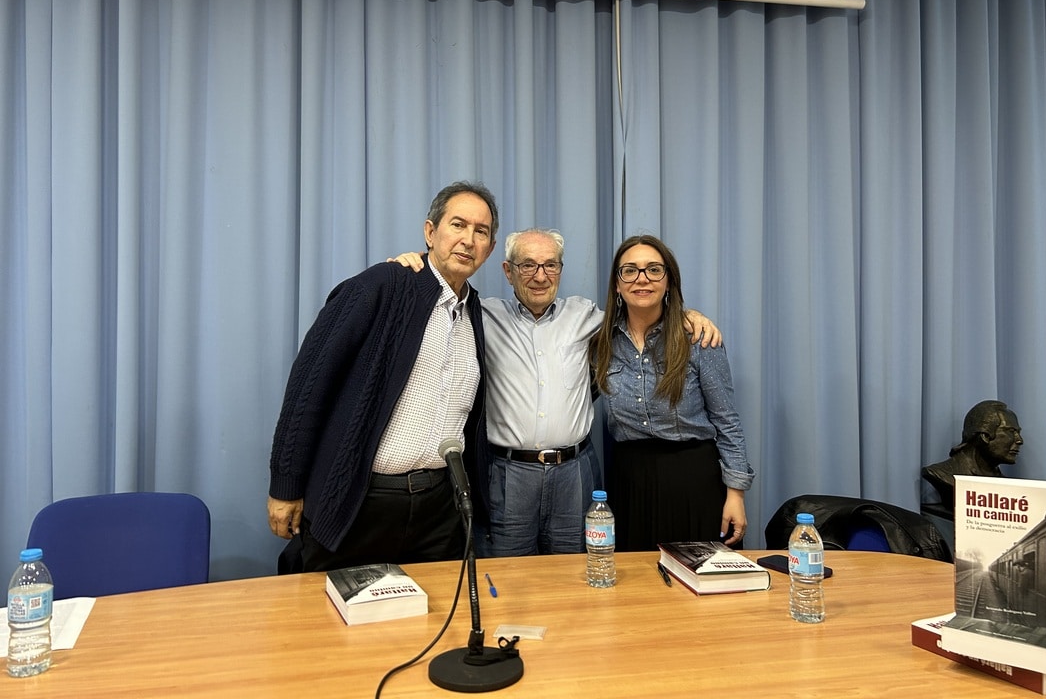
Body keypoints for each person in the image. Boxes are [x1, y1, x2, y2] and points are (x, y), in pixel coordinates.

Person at [390, 228, 720, 557]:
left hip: (574, 474)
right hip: (508, 476)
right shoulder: (480, 315)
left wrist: (688, 315)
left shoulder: (588, 318)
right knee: (510, 580)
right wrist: (408, 268)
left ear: (560, 270)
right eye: (527, 265)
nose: (540, 276)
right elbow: (435, 299)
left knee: (576, 576)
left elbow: (641, 313)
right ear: (508, 271)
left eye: (550, 265)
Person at [266, 181, 498, 573]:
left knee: (431, 623)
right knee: (333, 626)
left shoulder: (474, 310)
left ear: (490, 248)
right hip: (361, 502)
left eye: (481, 231)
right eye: (457, 225)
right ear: (430, 232)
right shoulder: (382, 286)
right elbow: (309, 386)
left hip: (439, 512)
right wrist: (285, 485)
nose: (468, 240)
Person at [592, 234, 753, 551]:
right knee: (638, 590)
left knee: (701, 588)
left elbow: (727, 420)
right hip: (630, 483)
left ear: (669, 282)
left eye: (654, 270)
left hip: (694, 480)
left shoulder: (697, 338)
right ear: (616, 284)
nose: (642, 279)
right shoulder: (600, 344)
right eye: (630, 271)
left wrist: (736, 493)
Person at [921, 399, 1024, 509]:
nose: (1020, 440)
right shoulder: (942, 474)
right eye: (1011, 431)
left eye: (1018, 433)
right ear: (985, 436)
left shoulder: (1009, 487)